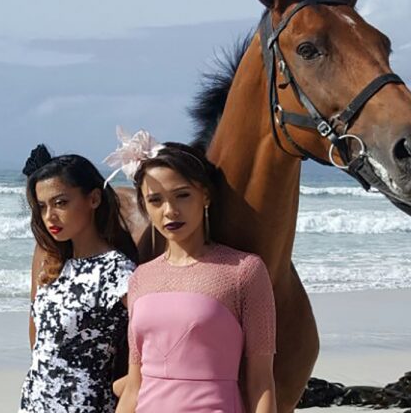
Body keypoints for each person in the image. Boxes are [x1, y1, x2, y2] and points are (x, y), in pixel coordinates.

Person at [107, 130, 278, 413]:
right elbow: (135, 384)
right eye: (156, 200)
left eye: (182, 195)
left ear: (205, 196)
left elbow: (261, 382)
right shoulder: (140, 278)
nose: (170, 210)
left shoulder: (244, 271)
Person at [18, 145, 137, 413]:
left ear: (94, 199)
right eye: (42, 206)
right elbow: (39, 345)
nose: (50, 216)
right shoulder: (52, 264)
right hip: (34, 404)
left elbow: (154, 345)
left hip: (86, 405)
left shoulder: (118, 271)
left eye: (61, 203)